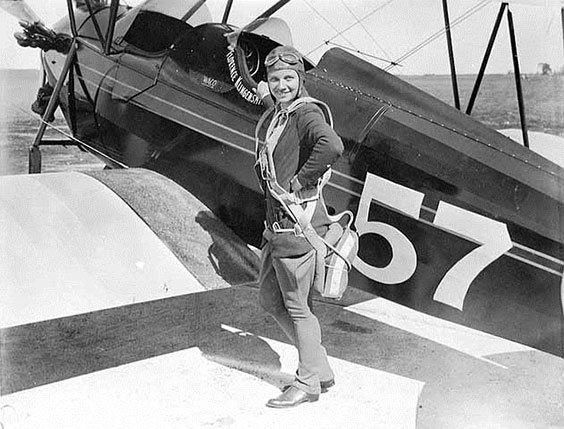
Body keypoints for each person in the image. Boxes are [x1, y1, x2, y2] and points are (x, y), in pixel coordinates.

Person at [254, 45, 344, 408]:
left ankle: (308, 383)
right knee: (269, 298)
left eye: (289, 78)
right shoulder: (281, 112)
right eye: (274, 79)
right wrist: (263, 92)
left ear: (300, 80)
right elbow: (272, 102)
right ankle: (319, 367)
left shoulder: (305, 113)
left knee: (297, 307)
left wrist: (299, 181)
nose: (281, 85)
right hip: (275, 228)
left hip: (296, 228)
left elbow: (331, 144)